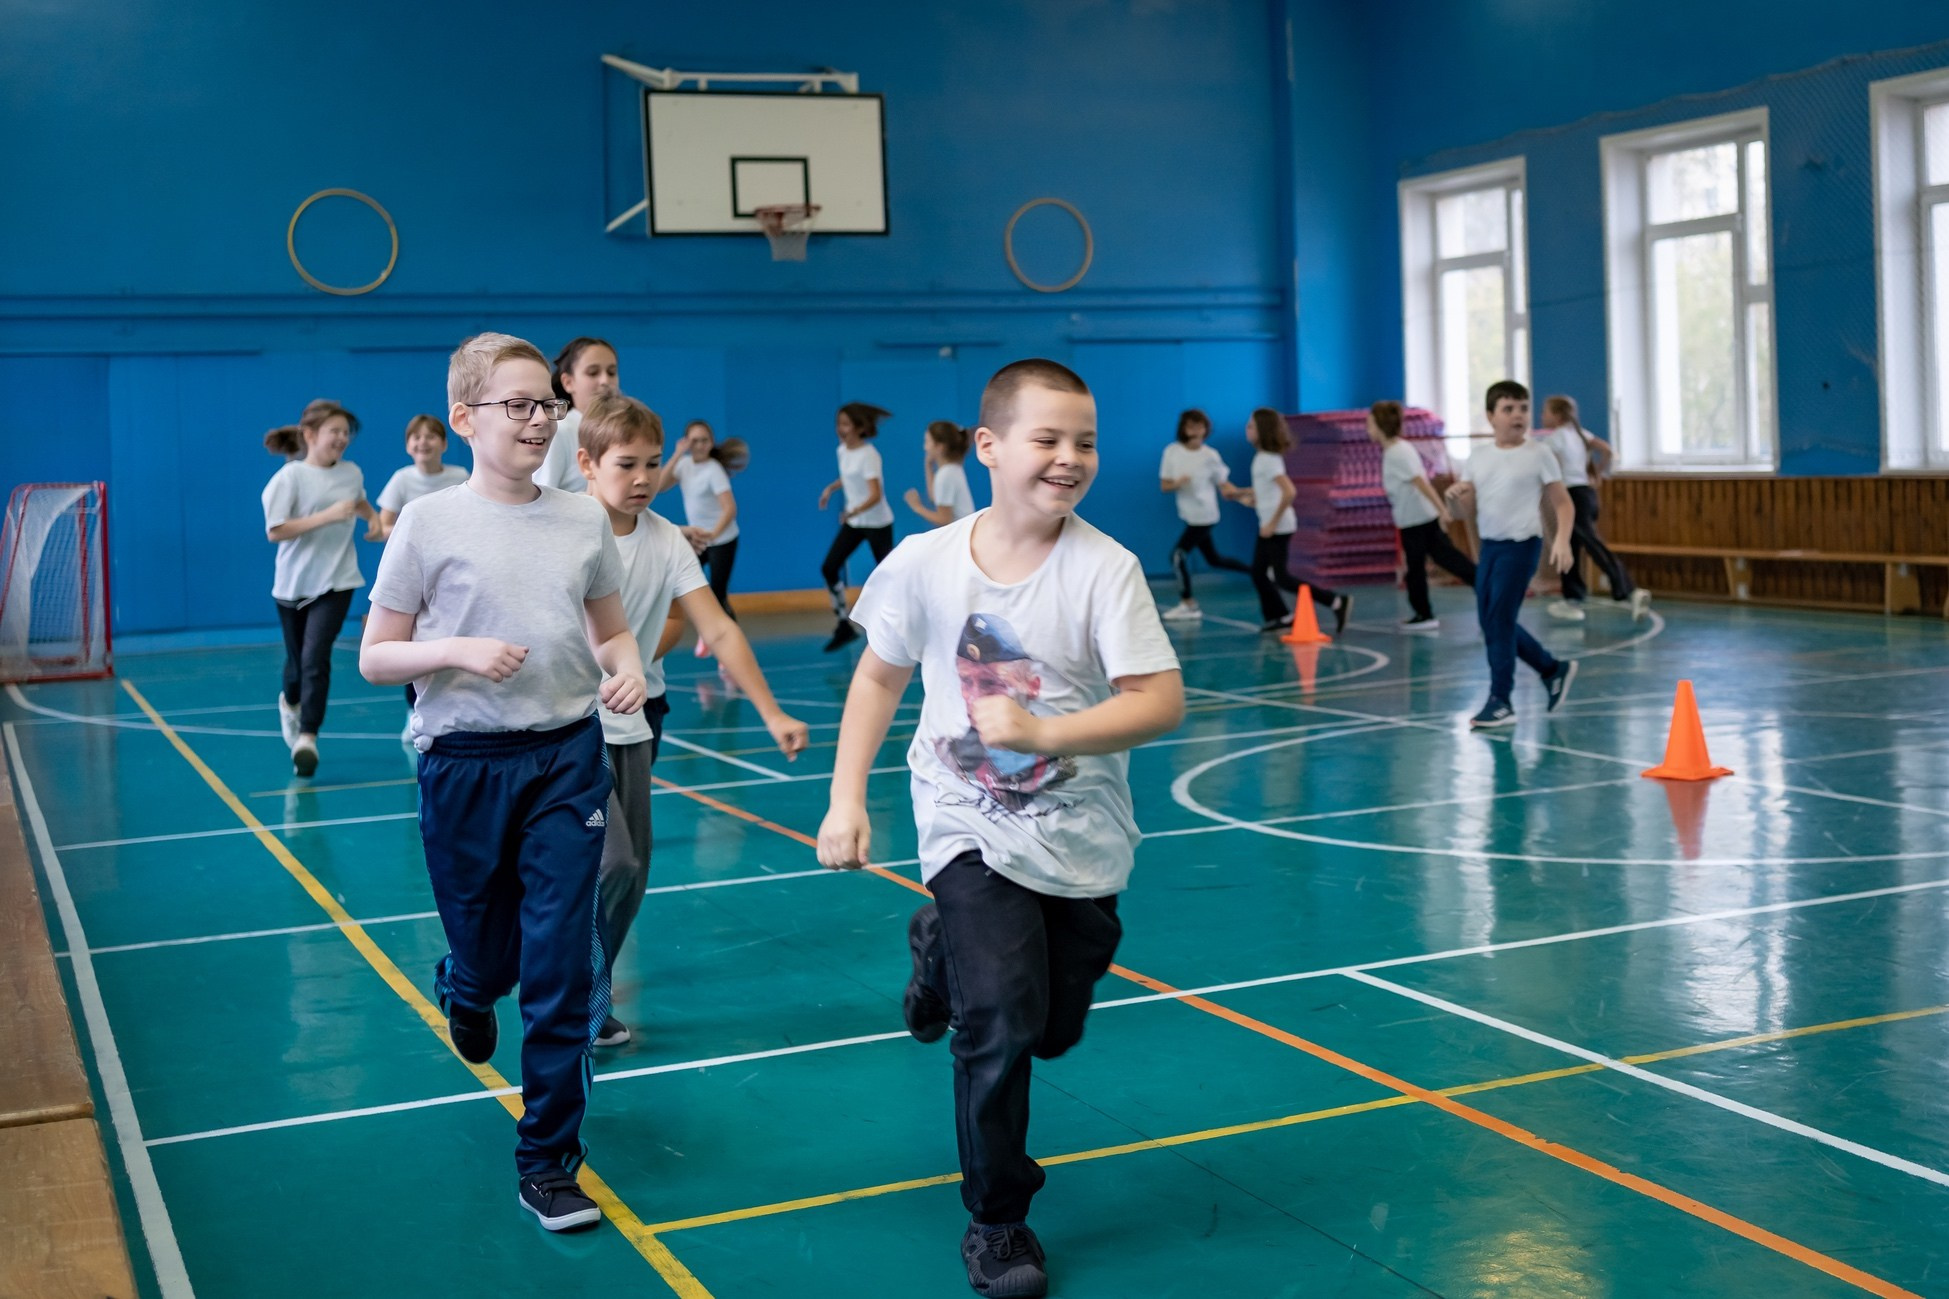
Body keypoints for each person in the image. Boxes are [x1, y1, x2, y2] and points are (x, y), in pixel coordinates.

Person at [817, 358, 1184, 1299]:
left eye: (1084, 442)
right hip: (965, 825)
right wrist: (845, 798)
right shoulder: (923, 562)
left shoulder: (1104, 568)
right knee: (1000, 1022)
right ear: (987, 446)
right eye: (1047, 438)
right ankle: (997, 1218)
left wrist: (1042, 733)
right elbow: (878, 677)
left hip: (1079, 836)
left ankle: (936, 948)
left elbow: (1159, 700)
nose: (1069, 458)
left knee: (1049, 1028)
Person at [358, 333, 648, 1233]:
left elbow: (609, 629)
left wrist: (627, 665)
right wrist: (455, 650)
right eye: (516, 404)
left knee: (560, 966)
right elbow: (376, 655)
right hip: (464, 766)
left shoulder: (580, 520)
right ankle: (467, 983)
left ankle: (548, 1161)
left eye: (546, 404)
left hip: (566, 756)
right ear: (465, 418)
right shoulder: (428, 522)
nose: (537, 420)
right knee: (493, 958)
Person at [575, 393, 808, 1046]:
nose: (644, 477)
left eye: (653, 463)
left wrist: (770, 711)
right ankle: (571, 981)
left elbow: (718, 629)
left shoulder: (667, 541)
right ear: (587, 464)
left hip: (631, 725)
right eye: (627, 464)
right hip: (568, 730)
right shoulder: (562, 529)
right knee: (612, 863)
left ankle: (590, 986)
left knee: (633, 871)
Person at [1444, 380, 1579, 729]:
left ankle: (1501, 700)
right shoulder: (1478, 457)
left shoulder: (1539, 454)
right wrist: (1454, 499)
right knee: (1490, 621)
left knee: (1500, 620)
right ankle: (1552, 669)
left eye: (1523, 408)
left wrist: (1562, 541)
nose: (1517, 415)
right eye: (1508, 409)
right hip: (1490, 547)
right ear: (1491, 416)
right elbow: (1463, 511)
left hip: (1522, 546)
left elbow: (1564, 503)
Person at [261, 399, 376, 777]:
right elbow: (276, 530)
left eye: (346, 432)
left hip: (338, 580)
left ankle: (308, 737)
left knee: (315, 657)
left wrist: (373, 519)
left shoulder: (352, 472)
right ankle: (290, 703)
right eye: (334, 431)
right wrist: (327, 516)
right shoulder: (289, 477)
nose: (342, 438)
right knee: (296, 668)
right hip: (293, 585)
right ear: (310, 435)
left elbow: (357, 500)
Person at [1236, 407, 1350, 634]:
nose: (1246, 429)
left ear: (1262, 430)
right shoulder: (1262, 458)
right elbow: (1267, 491)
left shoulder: (1268, 460)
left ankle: (1335, 601)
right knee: (1259, 572)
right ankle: (1280, 615)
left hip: (1277, 527)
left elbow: (1289, 491)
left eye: (1251, 426)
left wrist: (1272, 523)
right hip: (1269, 525)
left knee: (1281, 577)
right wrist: (1243, 495)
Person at [1537, 395, 1650, 622]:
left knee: (1592, 544)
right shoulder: (1581, 434)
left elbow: (1539, 460)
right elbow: (1607, 450)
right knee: (1569, 546)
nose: (1542, 416)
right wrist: (1597, 473)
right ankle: (1572, 596)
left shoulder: (1556, 439)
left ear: (1556, 416)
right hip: (1587, 494)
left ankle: (1629, 589)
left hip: (1573, 497)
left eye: (1545, 412)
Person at [1368, 400, 1474, 630]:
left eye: (1371, 424)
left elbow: (1421, 482)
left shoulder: (1398, 452)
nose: (1369, 430)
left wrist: (1442, 510)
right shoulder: (1395, 451)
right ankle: (1427, 610)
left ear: (1380, 426)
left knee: (1420, 566)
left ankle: (1424, 614)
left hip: (1418, 520)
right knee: (1443, 559)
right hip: (1413, 519)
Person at [657, 419, 749, 657]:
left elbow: (730, 508)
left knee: (718, 595)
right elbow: (659, 486)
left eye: (704, 440)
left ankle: (733, 650)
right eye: (694, 441)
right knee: (685, 584)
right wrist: (677, 454)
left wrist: (714, 534)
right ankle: (708, 633)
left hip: (722, 540)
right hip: (698, 540)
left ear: (711, 443)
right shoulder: (684, 465)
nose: (699, 445)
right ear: (687, 442)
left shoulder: (713, 470)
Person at [818, 401, 896, 652]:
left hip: (877, 523)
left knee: (890, 576)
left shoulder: (869, 455)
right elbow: (849, 476)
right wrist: (831, 488)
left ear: (860, 428)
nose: (840, 429)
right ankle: (844, 625)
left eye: (846, 424)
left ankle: (901, 626)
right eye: (838, 423)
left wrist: (852, 510)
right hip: (856, 522)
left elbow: (875, 494)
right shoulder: (842, 450)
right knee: (829, 567)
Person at [1158, 408, 1249, 621]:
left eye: (1200, 426)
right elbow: (1165, 485)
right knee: (1214, 559)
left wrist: (1240, 495)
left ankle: (1188, 604)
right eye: (1190, 425)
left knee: (1178, 556)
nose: (1195, 430)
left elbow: (1223, 484)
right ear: (1183, 428)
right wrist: (1178, 482)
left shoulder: (1211, 456)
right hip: (1189, 515)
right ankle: (1259, 572)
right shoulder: (1172, 452)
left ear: (1206, 429)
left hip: (1205, 516)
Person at [531, 336, 619, 493]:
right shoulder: (560, 431)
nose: (605, 380)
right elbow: (540, 497)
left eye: (611, 372)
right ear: (568, 382)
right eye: (593, 373)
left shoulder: (620, 430)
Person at [368, 414, 468, 542]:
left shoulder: (461, 476)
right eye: (416, 437)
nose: (423, 442)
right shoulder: (401, 478)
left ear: (444, 444)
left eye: (430, 437)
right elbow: (381, 530)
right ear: (408, 446)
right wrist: (416, 530)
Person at [903, 420, 977, 526]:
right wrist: (928, 466)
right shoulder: (952, 469)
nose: (925, 447)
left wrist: (917, 507)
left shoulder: (945, 476)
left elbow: (944, 520)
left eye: (927, 442)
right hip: (965, 530)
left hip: (962, 533)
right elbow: (935, 498)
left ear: (939, 447)